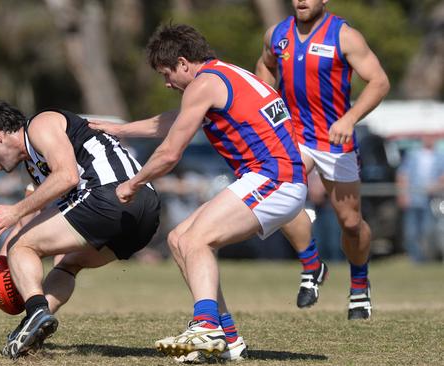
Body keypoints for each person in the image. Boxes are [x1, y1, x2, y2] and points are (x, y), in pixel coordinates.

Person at [90, 23, 306, 363]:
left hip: (274, 179)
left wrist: (132, 184)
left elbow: (169, 153)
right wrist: (120, 129)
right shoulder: (222, 75)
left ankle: (206, 326)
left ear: (183, 62)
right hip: (274, 178)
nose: (166, 83)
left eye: (167, 74)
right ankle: (229, 341)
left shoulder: (204, 84)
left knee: (196, 241)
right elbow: (175, 120)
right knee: (179, 239)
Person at [0, 100, 160, 359]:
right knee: (67, 263)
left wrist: (14, 212)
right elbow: (31, 221)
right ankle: (33, 327)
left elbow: (66, 176)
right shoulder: (34, 166)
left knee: (22, 246)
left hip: (110, 195)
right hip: (145, 213)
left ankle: (36, 312)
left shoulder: (40, 125)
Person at [256, 0, 390, 320]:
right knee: (280, 198)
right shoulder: (277, 34)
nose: (302, 0)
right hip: (294, 136)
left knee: (351, 223)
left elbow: (380, 81)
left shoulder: (344, 36)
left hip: (334, 139)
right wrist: (267, 102)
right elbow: (265, 66)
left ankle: (360, 285)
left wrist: (350, 118)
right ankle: (312, 264)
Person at [396, 135, 444, 262]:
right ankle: (416, 258)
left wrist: (436, 186)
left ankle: (429, 257)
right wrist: (403, 194)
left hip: (432, 199)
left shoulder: (440, 156)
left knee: (428, 229)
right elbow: (403, 175)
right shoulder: (413, 155)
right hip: (413, 198)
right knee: (411, 230)